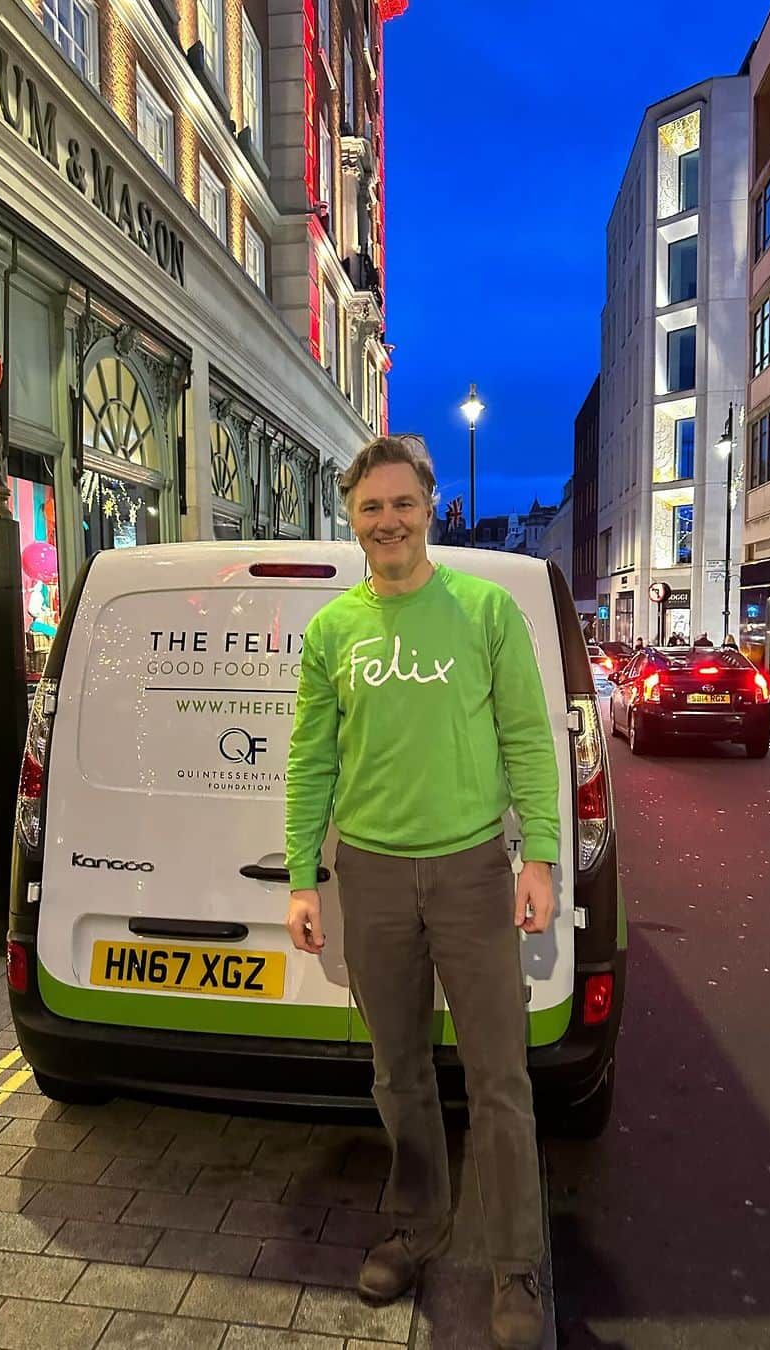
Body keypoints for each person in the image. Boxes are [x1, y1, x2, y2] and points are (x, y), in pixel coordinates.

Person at [285, 435, 558, 1350]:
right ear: (352, 517)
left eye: (402, 503)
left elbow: (529, 739)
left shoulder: (483, 612)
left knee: (501, 1081)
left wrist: (541, 858)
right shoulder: (332, 632)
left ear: (430, 506)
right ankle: (416, 1224)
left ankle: (518, 1266)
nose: (387, 521)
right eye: (370, 507)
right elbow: (309, 763)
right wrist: (301, 879)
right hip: (370, 873)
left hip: (474, 873)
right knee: (397, 1072)